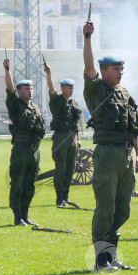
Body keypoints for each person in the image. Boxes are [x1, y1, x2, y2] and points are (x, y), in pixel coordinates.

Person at [83, 21, 138, 272]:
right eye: (115, 69)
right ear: (103, 71)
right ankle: (100, 259)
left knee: (122, 209)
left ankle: (111, 255)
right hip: (107, 155)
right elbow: (87, 66)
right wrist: (87, 38)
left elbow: (133, 125)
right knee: (106, 207)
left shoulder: (125, 94)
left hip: (126, 155)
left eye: (121, 69)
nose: (120, 73)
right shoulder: (97, 90)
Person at [3, 59, 45, 226]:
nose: (30, 91)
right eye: (26, 88)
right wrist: (7, 70)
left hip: (35, 151)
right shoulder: (15, 105)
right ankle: (17, 216)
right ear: (19, 91)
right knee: (18, 183)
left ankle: (25, 214)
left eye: (31, 88)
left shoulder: (35, 108)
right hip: (21, 149)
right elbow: (9, 89)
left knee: (30, 183)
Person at [44, 64, 82, 208]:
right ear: (63, 88)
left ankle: (66, 196)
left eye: (72, 88)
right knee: (61, 168)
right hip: (60, 137)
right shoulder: (57, 100)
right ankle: (59, 198)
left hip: (72, 139)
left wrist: (78, 140)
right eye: (69, 88)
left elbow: (76, 123)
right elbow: (51, 89)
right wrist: (49, 74)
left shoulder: (74, 103)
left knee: (70, 169)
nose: (71, 90)